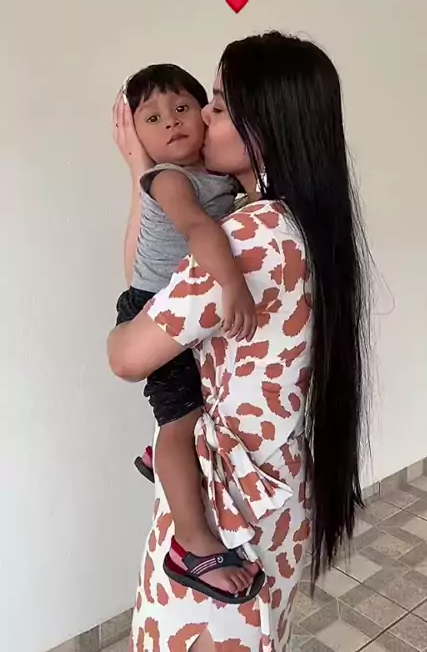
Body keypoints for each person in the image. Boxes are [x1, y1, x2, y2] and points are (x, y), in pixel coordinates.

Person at [108, 32, 371, 652]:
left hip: (227, 506)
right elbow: (153, 274)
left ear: (264, 130)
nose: (200, 116)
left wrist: (147, 175)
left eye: (219, 105)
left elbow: (127, 355)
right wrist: (147, 179)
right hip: (280, 488)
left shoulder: (245, 237)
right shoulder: (300, 220)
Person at [113, 63, 259, 598]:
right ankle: (194, 545)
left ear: (205, 114)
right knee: (180, 422)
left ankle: (165, 459)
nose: (171, 122)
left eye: (181, 108)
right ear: (136, 138)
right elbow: (198, 228)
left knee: (197, 410)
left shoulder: (221, 177)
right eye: (152, 118)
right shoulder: (169, 179)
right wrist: (233, 284)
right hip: (151, 310)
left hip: (180, 314)